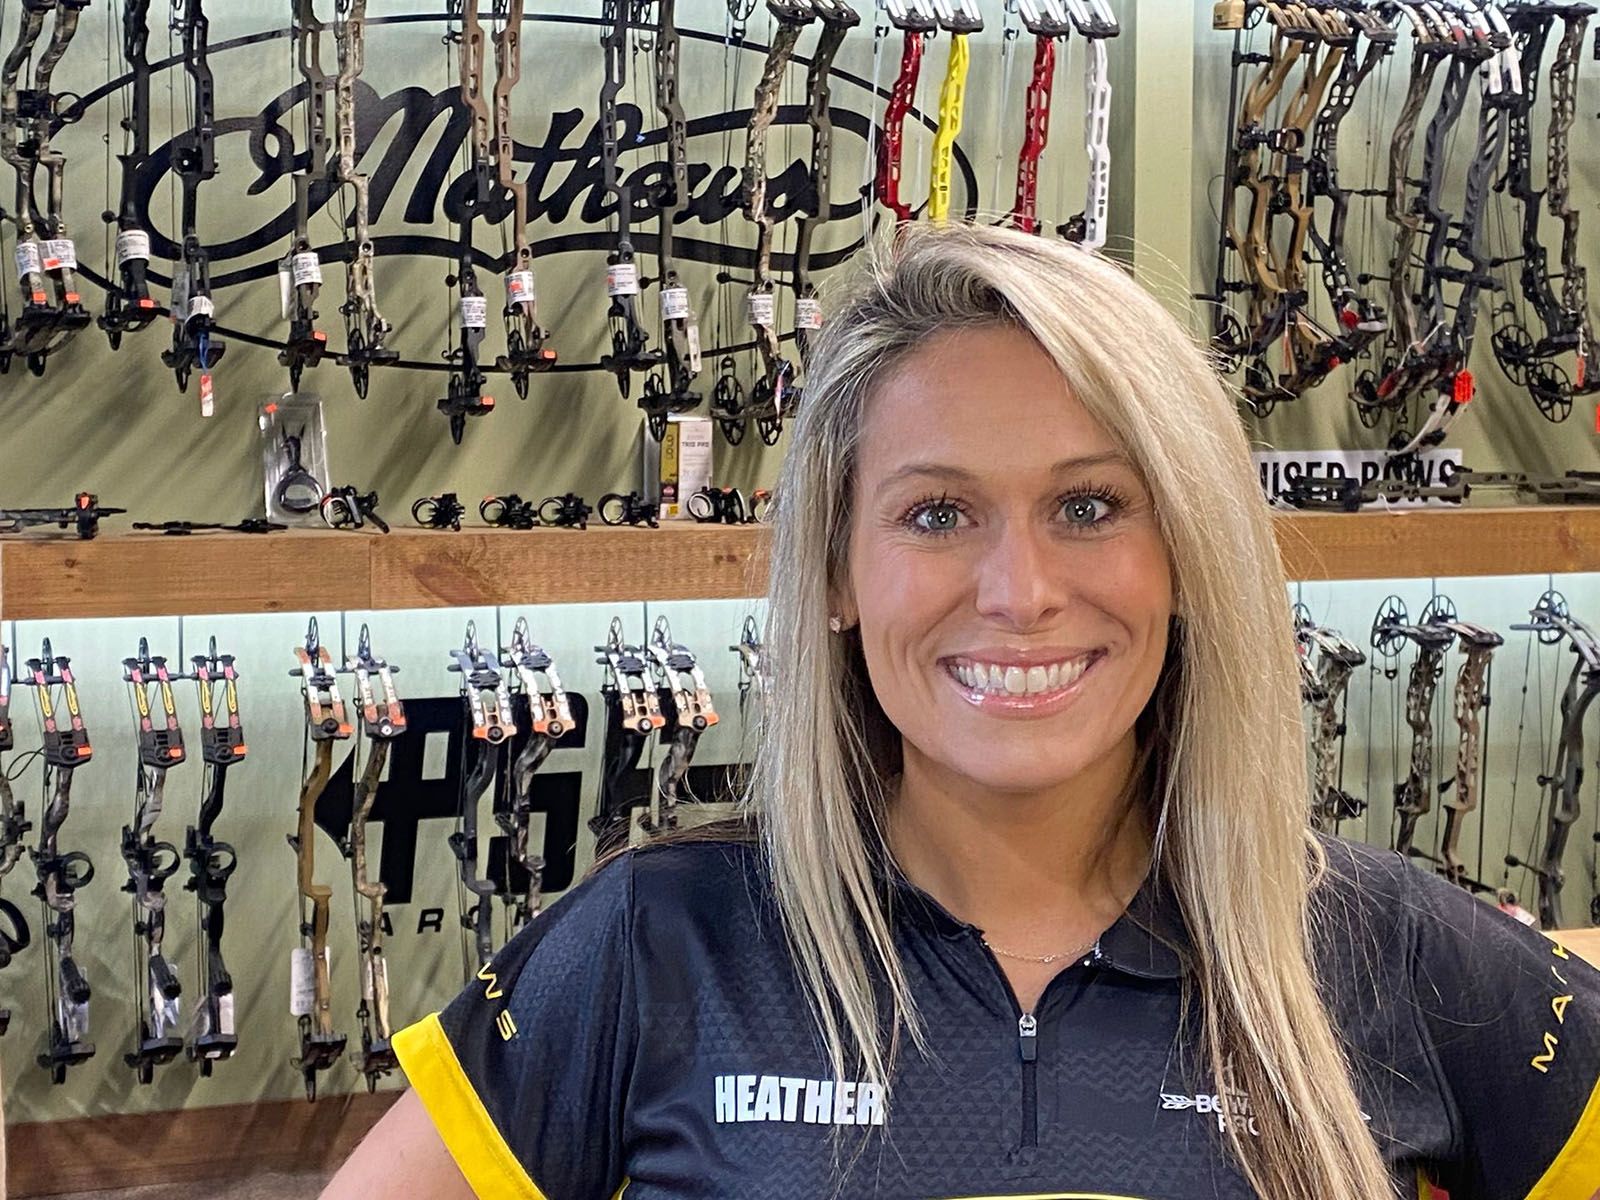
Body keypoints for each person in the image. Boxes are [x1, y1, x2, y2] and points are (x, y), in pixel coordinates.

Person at [322, 223, 1600, 1200]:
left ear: (1188, 555)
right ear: (835, 570)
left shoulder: (1388, 952)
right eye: (937, 514)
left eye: (1090, 506)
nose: (1020, 593)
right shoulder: (653, 949)